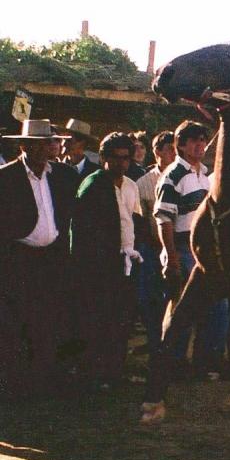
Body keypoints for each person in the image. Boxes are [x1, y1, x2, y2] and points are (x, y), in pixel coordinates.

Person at [0, 120, 79, 397]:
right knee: (17, 322)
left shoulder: (62, 175)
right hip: (18, 260)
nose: (44, 149)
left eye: (47, 143)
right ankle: (17, 383)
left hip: (52, 259)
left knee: (49, 319)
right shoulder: (6, 177)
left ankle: (44, 379)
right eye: (37, 144)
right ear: (23, 146)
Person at [153, 120, 228, 379]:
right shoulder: (173, 176)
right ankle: (174, 365)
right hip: (181, 249)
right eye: (193, 140)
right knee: (181, 309)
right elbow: (163, 220)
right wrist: (171, 260)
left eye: (202, 139)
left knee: (216, 308)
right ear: (180, 145)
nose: (200, 145)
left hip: (204, 251)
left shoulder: (205, 176)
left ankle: (204, 363)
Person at [71, 132, 142, 388]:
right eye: (117, 158)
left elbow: (132, 222)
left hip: (126, 263)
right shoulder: (92, 185)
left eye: (127, 158)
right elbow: (81, 231)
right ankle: (95, 374)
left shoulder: (131, 185)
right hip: (98, 267)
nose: (122, 163)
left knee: (121, 321)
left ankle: (115, 372)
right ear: (104, 158)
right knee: (97, 320)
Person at [134, 131, 176, 363]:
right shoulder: (143, 183)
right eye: (168, 149)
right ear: (157, 152)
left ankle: (170, 350)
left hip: (177, 247)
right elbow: (139, 221)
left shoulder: (182, 177)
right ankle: (154, 345)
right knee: (151, 301)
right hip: (151, 249)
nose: (173, 153)